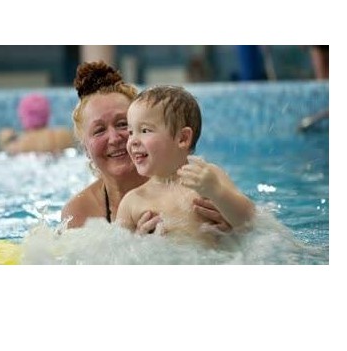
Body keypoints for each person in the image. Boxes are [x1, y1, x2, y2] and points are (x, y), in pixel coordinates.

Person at [60, 61, 230, 232]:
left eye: (123, 124)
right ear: (85, 149)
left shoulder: (198, 187)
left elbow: (244, 223)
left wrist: (232, 229)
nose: (114, 138)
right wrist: (138, 245)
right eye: (99, 131)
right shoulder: (78, 213)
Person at [116, 85, 256, 247]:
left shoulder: (207, 178)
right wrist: (138, 243)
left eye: (145, 130)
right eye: (131, 132)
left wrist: (217, 192)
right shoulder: (131, 202)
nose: (133, 140)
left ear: (182, 138)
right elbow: (118, 254)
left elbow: (250, 221)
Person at [0, 93, 75, 155]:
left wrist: (5, 140)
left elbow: (3, 152)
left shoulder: (19, 145)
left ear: (23, 117)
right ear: (47, 113)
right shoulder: (63, 136)